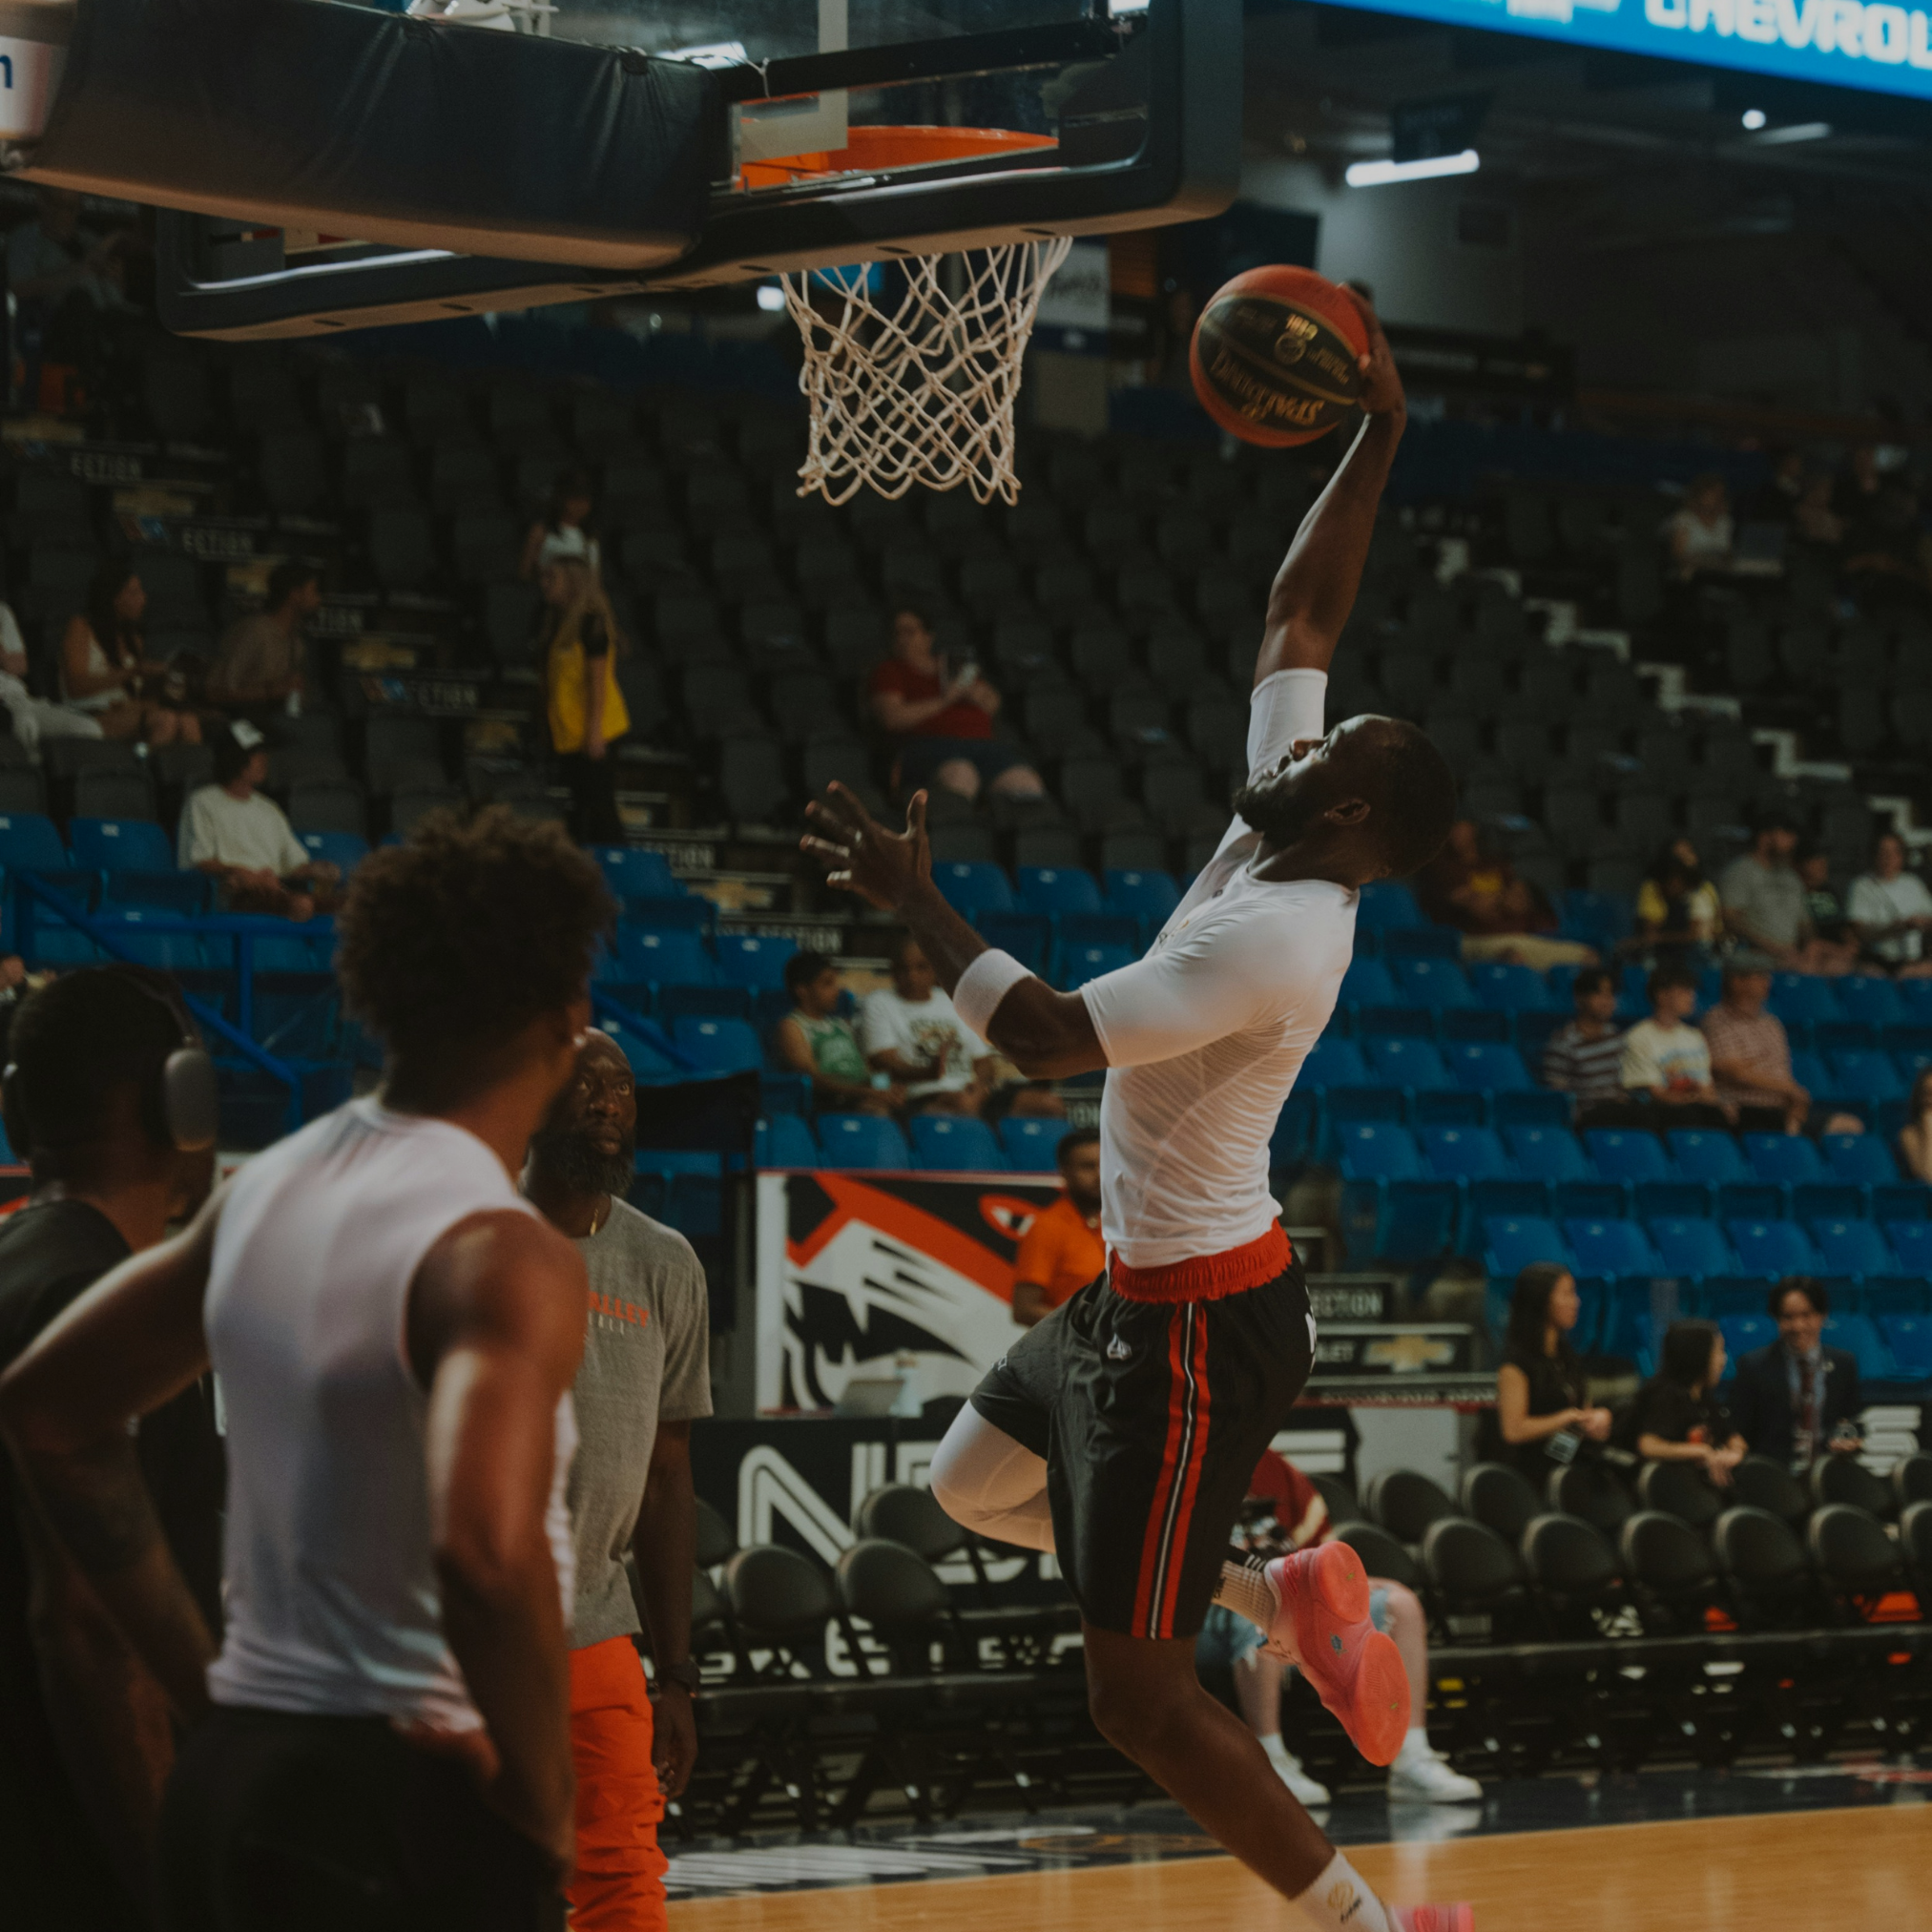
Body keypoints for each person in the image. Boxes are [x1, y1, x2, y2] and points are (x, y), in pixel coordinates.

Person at [809, 294, 1472, 1932]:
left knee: (1134, 1694)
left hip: (1202, 1331)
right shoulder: (1281, 828)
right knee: (971, 1487)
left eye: (1337, 750)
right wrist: (1382, 427)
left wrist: (919, 903)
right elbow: (1297, 610)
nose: (1306, 732)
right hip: (1146, 1296)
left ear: (1361, 814)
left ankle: (1369, 1928)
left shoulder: (1280, 931)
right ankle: (1293, 1594)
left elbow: (1037, 1038)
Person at [0, 807, 614, 1929]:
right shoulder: (505, 1249)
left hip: (238, 1783)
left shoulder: (263, 1190)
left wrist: (207, 1693)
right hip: (399, 1805)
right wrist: (541, 1801)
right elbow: (483, 1549)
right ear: (564, 1013)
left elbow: (48, 1412)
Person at [0, 967, 221, 1931]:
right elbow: (92, 1636)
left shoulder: (17, 1278)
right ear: (185, 1104)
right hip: (86, 1866)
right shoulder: (109, 1320)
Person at [524, 1030, 711, 1932]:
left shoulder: (665, 1260)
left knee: (623, 1872)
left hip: (596, 1627)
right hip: (454, 1626)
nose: (606, 1102)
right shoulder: (465, 1234)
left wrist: (675, 1673)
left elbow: (670, 1475)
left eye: (623, 1089)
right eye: (582, 1084)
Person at [1195, 1451, 1482, 1808]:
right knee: (1258, 1605)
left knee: (1400, 1604)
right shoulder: (1172, 1466)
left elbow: (1318, 1558)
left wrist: (1343, 1586)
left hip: (1292, 1603)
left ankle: (1411, 1756)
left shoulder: (1273, 1467)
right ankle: (1268, 1762)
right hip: (1200, 1613)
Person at [866, 603, 1046, 806]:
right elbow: (892, 718)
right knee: (961, 776)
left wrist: (973, 691)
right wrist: (946, 699)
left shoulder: (954, 665)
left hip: (982, 745)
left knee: (1026, 784)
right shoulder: (890, 670)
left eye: (909, 631)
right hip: (931, 747)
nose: (902, 638)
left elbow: (992, 704)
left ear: (928, 636)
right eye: (896, 633)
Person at [178, 720, 341, 919]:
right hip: (233, 894)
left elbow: (293, 864)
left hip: (275, 890)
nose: (264, 759)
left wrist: (315, 869)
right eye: (255, 754)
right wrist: (247, 875)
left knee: (349, 907)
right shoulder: (202, 802)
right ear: (234, 759)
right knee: (301, 905)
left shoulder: (268, 808)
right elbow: (200, 861)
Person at [1415, 819, 1593, 970]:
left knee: (1588, 956)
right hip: (1475, 938)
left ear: (1473, 829)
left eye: (1461, 826)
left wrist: (1490, 899)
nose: (1455, 833)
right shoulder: (1442, 867)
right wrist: (1502, 898)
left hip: (1519, 936)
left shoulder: (1496, 863)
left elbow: (1521, 903)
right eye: (1452, 828)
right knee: (1513, 956)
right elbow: (1478, 910)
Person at [59, 560, 203, 745]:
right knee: (165, 721)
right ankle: (145, 771)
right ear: (114, 598)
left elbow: (136, 694)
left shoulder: (133, 639)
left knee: (189, 720)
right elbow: (75, 687)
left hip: (125, 710)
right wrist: (133, 671)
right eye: (134, 592)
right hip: (87, 713)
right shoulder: (80, 627)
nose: (143, 598)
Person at [1493, 1263, 1611, 1487]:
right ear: (1541, 1301)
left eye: (1574, 1293)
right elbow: (1513, 1430)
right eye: (1566, 1294)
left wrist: (1594, 1419)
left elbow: (1581, 1409)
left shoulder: (1567, 1358)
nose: (1576, 1302)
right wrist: (1563, 1419)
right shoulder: (1516, 1365)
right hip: (1531, 1475)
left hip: (1570, 1467)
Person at [1726, 1278, 1863, 1471]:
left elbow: (1852, 1420)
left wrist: (1850, 1440)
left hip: (1827, 1474)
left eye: (1806, 1315)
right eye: (1788, 1317)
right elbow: (1738, 1428)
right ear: (1777, 1319)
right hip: (1772, 1477)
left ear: (1822, 1316)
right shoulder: (1753, 1365)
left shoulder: (1843, 1364)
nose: (1797, 1326)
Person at [859, 935, 999, 1117]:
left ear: (934, 970)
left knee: (1045, 1102)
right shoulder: (879, 1002)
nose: (912, 976)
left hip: (969, 1092)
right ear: (892, 972)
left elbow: (984, 1063)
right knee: (964, 1104)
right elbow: (882, 1061)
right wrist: (927, 1073)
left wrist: (980, 1086)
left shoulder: (952, 1002)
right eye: (903, 969)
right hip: (922, 1094)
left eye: (921, 967)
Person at [542, 556, 629, 845]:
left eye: (552, 578)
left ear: (572, 581)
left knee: (601, 809)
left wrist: (594, 733)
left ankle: (619, 873)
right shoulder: (560, 621)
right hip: (571, 732)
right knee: (581, 809)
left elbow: (597, 682)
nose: (545, 584)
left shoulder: (591, 622)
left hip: (595, 732)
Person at [772, 950, 904, 1116]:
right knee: (878, 1113)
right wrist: (864, 1092)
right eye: (827, 984)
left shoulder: (842, 1025)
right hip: (830, 1101)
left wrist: (886, 1089)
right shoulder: (792, 1026)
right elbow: (812, 1079)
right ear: (802, 990)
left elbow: (869, 1069)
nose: (837, 990)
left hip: (862, 1095)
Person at [1619, 1319, 1746, 1485]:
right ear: (1697, 1355)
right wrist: (1702, 1451)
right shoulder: (1665, 1395)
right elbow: (1648, 1445)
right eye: (1718, 1352)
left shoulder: (1704, 1397)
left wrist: (1733, 1454)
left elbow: (1735, 1439)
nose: (1723, 1361)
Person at [1719, 816, 1846, 975]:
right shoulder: (1740, 872)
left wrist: (1809, 947)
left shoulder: (1790, 876)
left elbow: (1804, 923)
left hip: (1792, 955)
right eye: (1786, 835)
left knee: (1846, 968)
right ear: (1765, 837)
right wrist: (1773, 948)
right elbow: (1731, 919)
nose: (1793, 841)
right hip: (1755, 955)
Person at [1010, 1128, 1104, 1328]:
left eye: (1105, 1164)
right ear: (1064, 1171)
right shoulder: (1047, 1227)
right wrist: (1089, 1327)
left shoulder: (1123, 1225)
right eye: (1088, 1167)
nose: (1099, 1175)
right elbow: (1024, 1309)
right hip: (1070, 1352)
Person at [1700, 961, 1808, 1134]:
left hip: (1782, 1108)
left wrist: (1795, 1103)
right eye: (1758, 977)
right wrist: (1790, 1089)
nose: (1767, 982)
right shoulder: (1718, 1020)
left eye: (1766, 976)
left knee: (1845, 1125)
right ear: (1736, 982)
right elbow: (1734, 1072)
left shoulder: (1772, 1024)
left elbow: (1782, 1070)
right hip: (1746, 1109)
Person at [205, 560, 322, 716]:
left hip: (271, 723)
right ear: (295, 594)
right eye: (314, 591)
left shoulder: (297, 642)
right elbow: (215, 691)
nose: (318, 599)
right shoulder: (255, 632)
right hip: (235, 722)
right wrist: (269, 692)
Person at [1619, 964, 1731, 1122]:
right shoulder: (1639, 1037)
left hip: (1696, 1109)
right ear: (1662, 995)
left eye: (1692, 991)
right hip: (1660, 1113)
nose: (1691, 997)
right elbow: (1656, 1094)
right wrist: (1696, 1098)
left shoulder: (1694, 1036)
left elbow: (1707, 1088)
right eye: (1684, 991)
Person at [0, 595, 104, 753]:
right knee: (25, 724)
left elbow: (20, 667)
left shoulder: (2, 612)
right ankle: (30, 775)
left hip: (19, 699)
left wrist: (3, 656)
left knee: (87, 728)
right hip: (5, 709)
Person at [1539, 966, 1627, 1117]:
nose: (1607, 1001)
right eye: (1599, 994)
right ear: (1580, 998)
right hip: (1588, 1114)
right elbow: (1558, 1093)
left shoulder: (1615, 1035)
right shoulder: (1563, 1042)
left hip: (1620, 1109)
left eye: (1610, 994)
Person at [1848, 830, 1932, 979]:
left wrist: (1921, 923)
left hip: (1912, 961)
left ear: (1901, 857)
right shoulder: (1862, 885)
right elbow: (1859, 930)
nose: (1888, 858)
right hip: (1878, 961)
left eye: (1894, 853)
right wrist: (1895, 928)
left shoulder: (1913, 884)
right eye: (1883, 852)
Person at [1633, 839, 1722, 961]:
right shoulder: (1653, 887)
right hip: (1664, 954)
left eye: (1689, 853)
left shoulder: (1703, 891)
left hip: (1698, 953)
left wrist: (1662, 937)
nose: (1686, 860)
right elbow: (1651, 933)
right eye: (1679, 856)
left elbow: (1704, 934)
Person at [522, 468, 603, 584]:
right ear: (561, 499)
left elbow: (594, 580)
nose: (580, 505)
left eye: (585, 499)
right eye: (575, 499)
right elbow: (525, 573)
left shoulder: (590, 537)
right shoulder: (541, 531)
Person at [1664, 473, 1734, 576]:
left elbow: (1728, 551)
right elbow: (1677, 555)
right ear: (1700, 494)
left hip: (1720, 572)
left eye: (1720, 494)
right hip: (1692, 573)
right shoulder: (1684, 519)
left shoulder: (1725, 522)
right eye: (1712, 493)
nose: (1716, 498)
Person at [1900, 1069, 1932, 1184]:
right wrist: (1929, 1127)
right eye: (1926, 1094)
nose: (1930, 1100)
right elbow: (1928, 1177)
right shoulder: (1909, 1134)